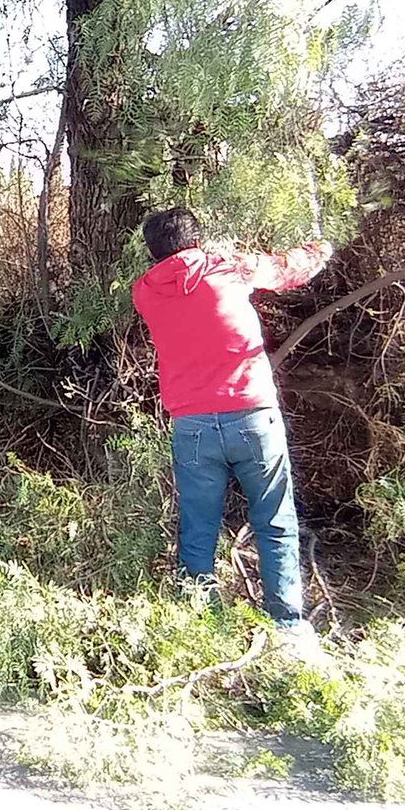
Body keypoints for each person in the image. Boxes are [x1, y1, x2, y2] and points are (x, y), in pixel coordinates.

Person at [131, 208, 332, 629]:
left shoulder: (145, 293)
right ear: (197, 239)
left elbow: (180, 276)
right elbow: (286, 271)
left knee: (198, 526)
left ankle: (202, 621)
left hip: (193, 425)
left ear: (152, 252)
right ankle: (289, 627)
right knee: (275, 522)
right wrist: (319, 248)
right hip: (252, 415)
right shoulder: (229, 268)